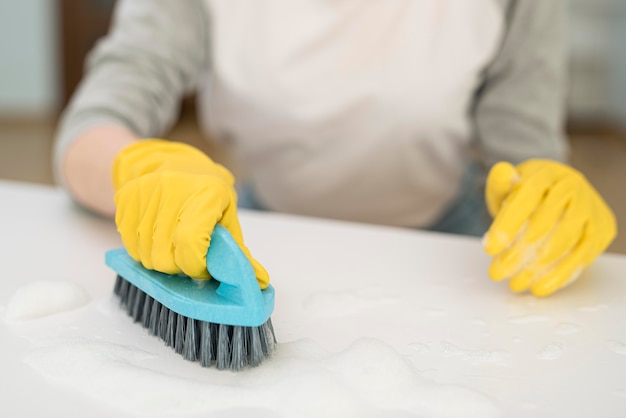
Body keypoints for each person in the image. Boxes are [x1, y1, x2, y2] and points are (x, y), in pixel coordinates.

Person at [54, 0, 616, 297]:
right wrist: (134, 167)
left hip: (458, 241)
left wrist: (544, 191)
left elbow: (524, 144)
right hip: (266, 233)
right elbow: (96, 120)